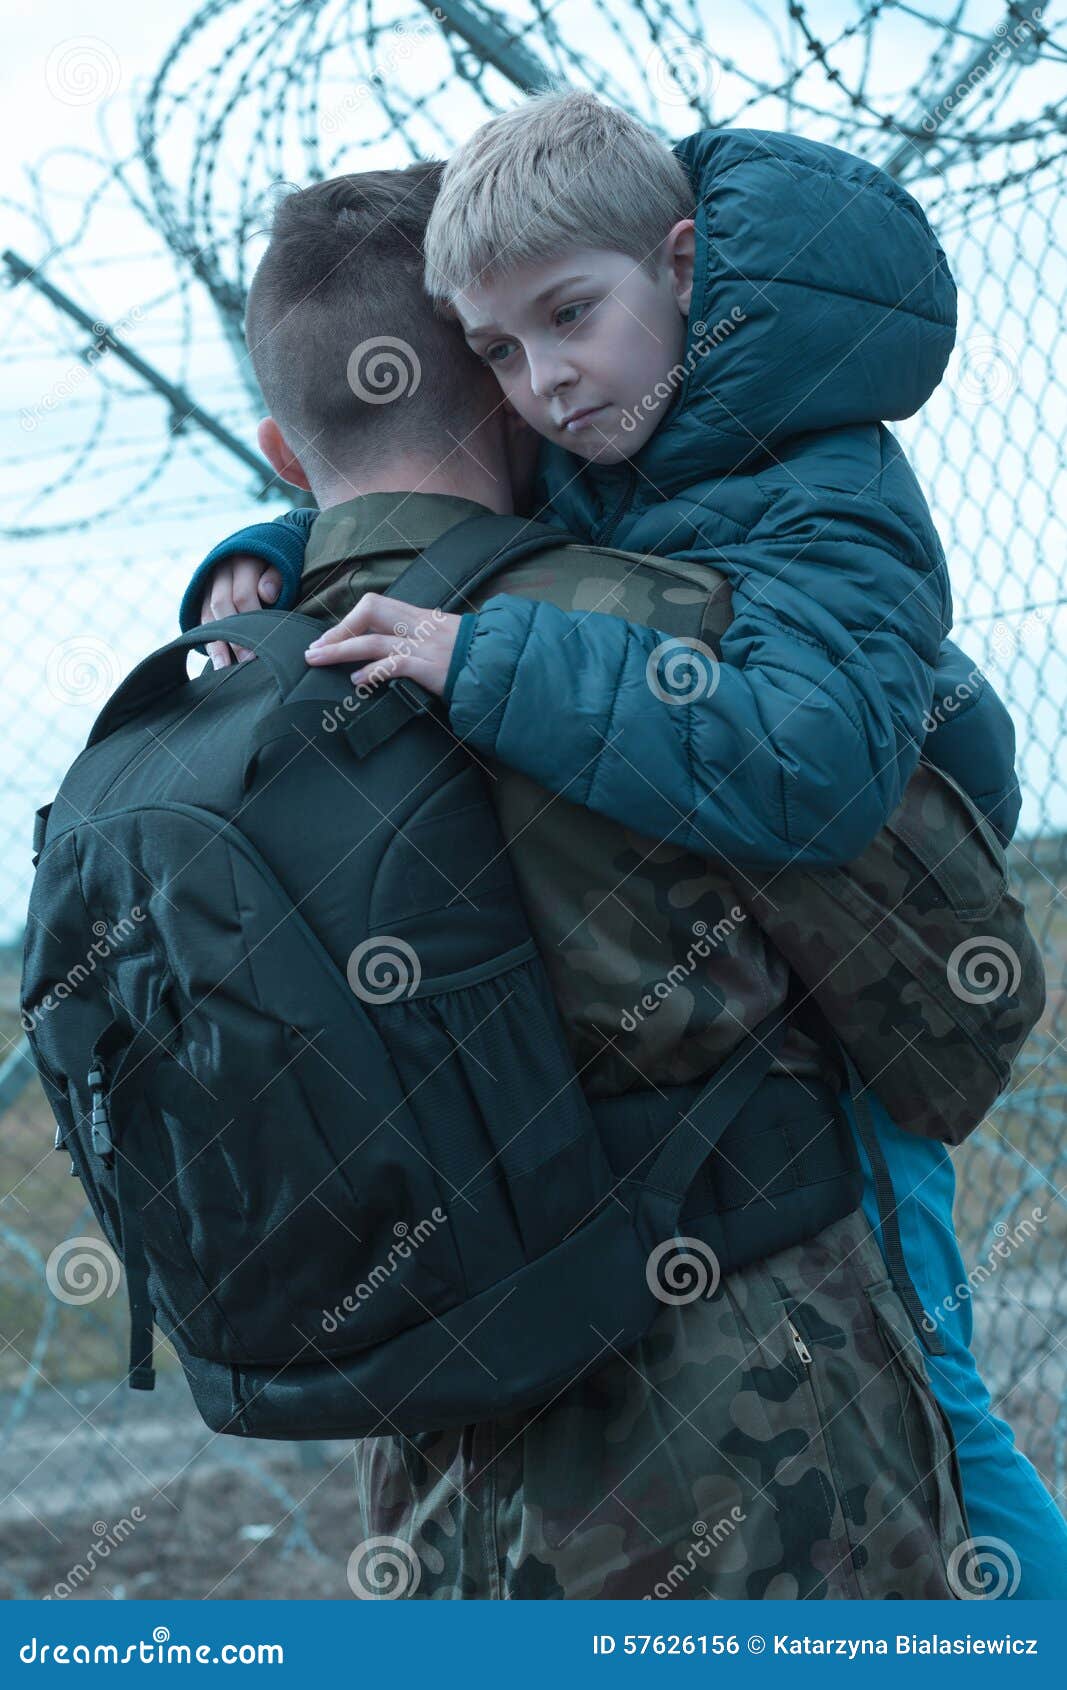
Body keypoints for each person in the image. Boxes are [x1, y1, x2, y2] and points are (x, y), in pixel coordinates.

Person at [178, 141, 1067, 1594]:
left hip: (868, 1020)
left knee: (946, 1411)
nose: (549, 382)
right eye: (500, 354)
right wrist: (270, 553)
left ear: (680, 267)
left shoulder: (801, 470)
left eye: (569, 318)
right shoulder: (609, 456)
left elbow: (815, 764)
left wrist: (491, 655)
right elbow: (441, 523)